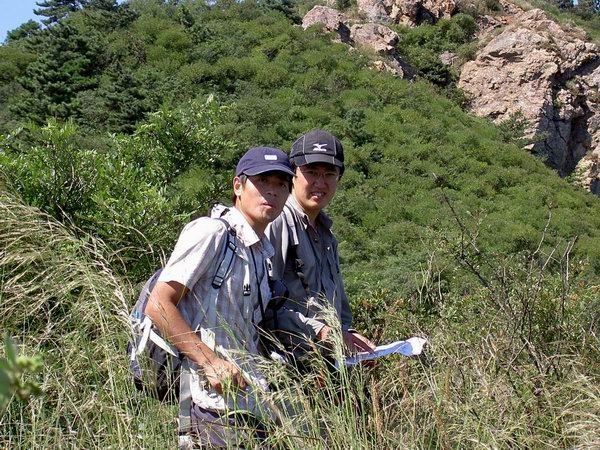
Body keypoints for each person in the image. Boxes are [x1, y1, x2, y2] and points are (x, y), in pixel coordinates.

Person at [144, 146, 293, 448]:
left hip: (249, 403)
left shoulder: (261, 251)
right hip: (209, 405)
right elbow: (158, 304)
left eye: (281, 184)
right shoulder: (212, 232)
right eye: (262, 181)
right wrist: (209, 361)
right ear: (238, 186)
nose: (272, 191)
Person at [267, 129, 375, 370]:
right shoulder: (278, 221)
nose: (320, 182)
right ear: (293, 174)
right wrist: (323, 332)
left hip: (326, 364)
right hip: (289, 365)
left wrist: (349, 336)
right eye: (311, 172)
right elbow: (265, 303)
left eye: (329, 174)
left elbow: (337, 304)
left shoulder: (327, 234)